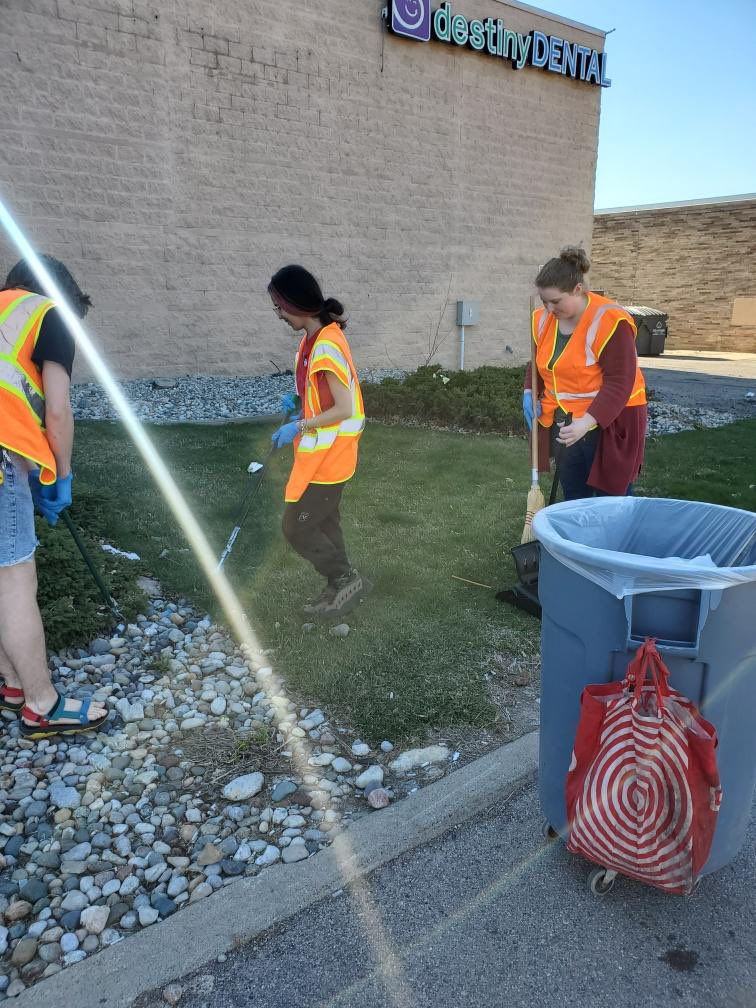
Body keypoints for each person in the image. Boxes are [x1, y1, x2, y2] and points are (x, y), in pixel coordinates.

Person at [0, 256, 108, 738]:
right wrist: (60, 476)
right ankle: (41, 704)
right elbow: (58, 413)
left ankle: (11, 683)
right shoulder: (48, 314)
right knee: (14, 578)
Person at [267, 265, 367, 616]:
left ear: (296, 302)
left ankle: (344, 576)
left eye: (279, 306)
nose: (278, 314)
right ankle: (339, 586)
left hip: (332, 457)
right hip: (321, 456)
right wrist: (295, 400)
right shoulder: (312, 340)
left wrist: (300, 426)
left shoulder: (326, 346)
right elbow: (318, 392)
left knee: (296, 526)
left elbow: (344, 407)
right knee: (325, 523)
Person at [523, 247, 647, 500]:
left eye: (555, 301)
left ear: (578, 290)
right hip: (567, 421)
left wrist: (586, 423)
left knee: (610, 498)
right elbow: (537, 362)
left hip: (611, 420)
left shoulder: (610, 320)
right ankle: (575, 539)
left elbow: (620, 382)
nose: (548, 308)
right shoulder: (543, 320)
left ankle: (611, 540)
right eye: (543, 300)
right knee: (574, 493)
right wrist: (528, 390)